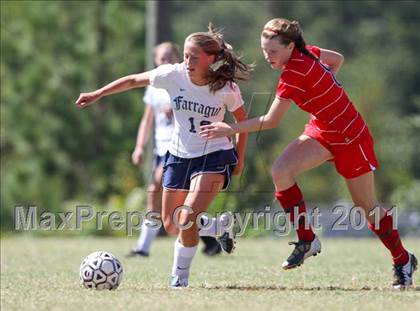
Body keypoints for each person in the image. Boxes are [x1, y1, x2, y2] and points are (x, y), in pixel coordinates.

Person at [200, 18, 417, 290]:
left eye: (273, 51)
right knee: (281, 171)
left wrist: (228, 129)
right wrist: (323, 102)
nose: (267, 56)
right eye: (264, 50)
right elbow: (337, 59)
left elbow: (270, 120)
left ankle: (403, 260)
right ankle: (307, 240)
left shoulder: (294, 73)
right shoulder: (308, 51)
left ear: (290, 46)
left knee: (368, 208)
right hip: (323, 131)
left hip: (351, 137)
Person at [76, 24, 251, 288]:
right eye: (186, 55)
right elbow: (134, 80)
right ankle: (216, 228)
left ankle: (179, 278)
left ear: (211, 59)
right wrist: (98, 94)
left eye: (194, 56)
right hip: (178, 155)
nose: (187, 61)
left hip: (214, 155)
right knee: (171, 225)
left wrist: (240, 158)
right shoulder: (172, 75)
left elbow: (242, 123)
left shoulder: (225, 88)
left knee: (187, 217)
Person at [127, 42, 222, 258]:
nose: (166, 61)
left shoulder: (184, 79)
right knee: (171, 206)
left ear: (179, 57)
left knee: (156, 188)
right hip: (161, 148)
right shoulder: (154, 86)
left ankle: (143, 248)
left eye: (170, 57)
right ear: (155, 62)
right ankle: (211, 236)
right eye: (161, 58)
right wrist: (139, 146)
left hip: (181, 147)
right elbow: (147, 119)